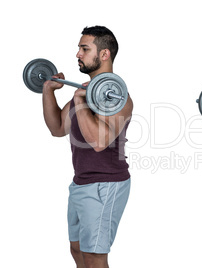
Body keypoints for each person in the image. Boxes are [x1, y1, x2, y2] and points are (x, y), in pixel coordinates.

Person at [42, 26, 133, 268]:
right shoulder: (83, 93)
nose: (78, 54)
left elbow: (99, 142)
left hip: (106, 184)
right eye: (79, 48)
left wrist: (81, 101)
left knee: (94, 256)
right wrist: (48, 91)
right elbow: (57, 128)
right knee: (77, 249)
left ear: (104, 54)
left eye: (84, 49)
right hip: (81, 181)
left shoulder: (118, 98)